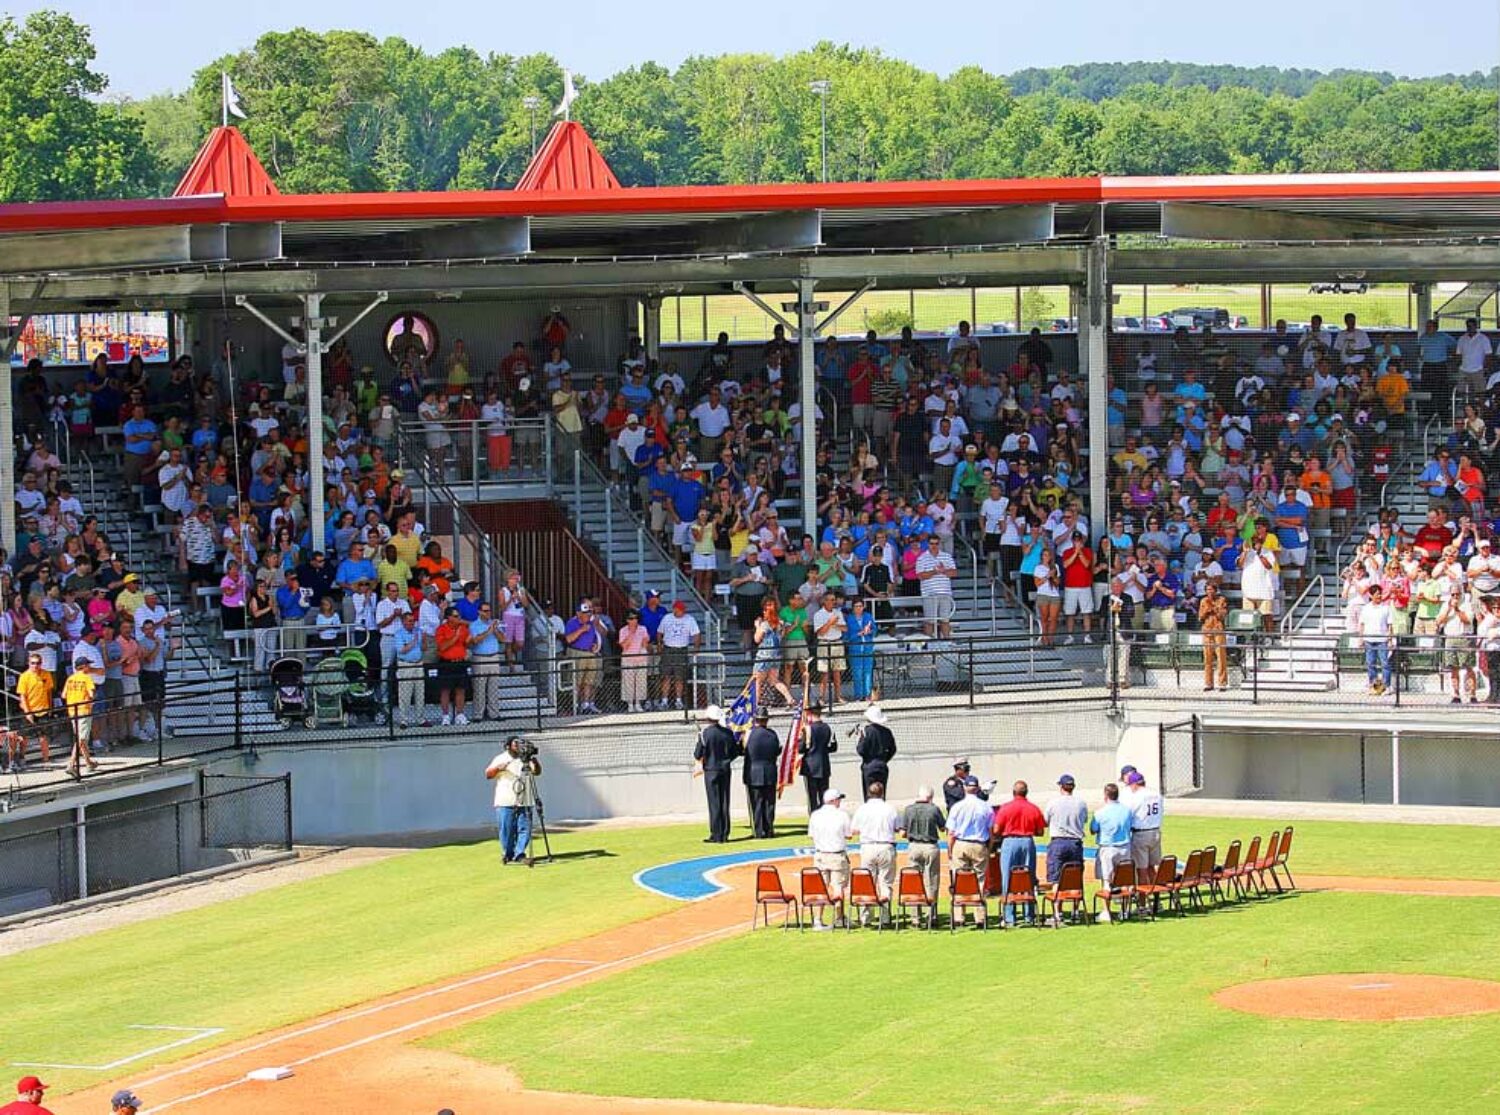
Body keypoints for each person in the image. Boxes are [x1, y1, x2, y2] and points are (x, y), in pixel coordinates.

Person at [992, 780, 1045, 926]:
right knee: (1028, 877)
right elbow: (1040, 831)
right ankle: (1029, 914)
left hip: (1009, 841)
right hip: (1027, 841)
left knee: (1008, 878)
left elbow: (996, 830)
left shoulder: (1005, 808)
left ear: (1013, 792)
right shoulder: (1033, 808)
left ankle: (1010, 916)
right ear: (1026, 792)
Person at [850, 780, 900, 925]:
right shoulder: (890, 809)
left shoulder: (862, 809)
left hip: (868, 847)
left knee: (868, 882)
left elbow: (854, 830)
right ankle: (885, 916)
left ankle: (865, 917)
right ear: (882, 793)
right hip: (885, 846)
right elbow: (898, 827)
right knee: (886, 882)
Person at [486, 736, 542, 865]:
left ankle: (520, 854)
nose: (519, 746)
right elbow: (488, 774)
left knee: (525, 828)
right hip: (505, 800)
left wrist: (535, 762)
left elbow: (537, 772)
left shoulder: (525, 759)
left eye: (520, 743)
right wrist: (499, 768)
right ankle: (507, 853)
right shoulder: (500, 758)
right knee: (507, 829)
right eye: (516, 743)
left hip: (525, 799)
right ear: (508, 746)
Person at [944, 776, 992, 926]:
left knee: (959, 879)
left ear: (964, 788)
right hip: (979, 844)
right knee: (980, 880)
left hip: (961, 843)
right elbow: (991, 830)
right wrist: (988, 848)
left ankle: (959, 915)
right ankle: (980, 916)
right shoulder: (985, 807)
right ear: (977, 788)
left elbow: (951, 832)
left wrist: (950, 849)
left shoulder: (957, 807)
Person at [807, 788, 852, 929]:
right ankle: (839, 918)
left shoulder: (815, 815)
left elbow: (811, 835)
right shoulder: (842, 815)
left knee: (821, 888)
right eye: (838, 799)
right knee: (838, 887)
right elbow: (848, 834)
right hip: (836, 855)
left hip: (820, 855)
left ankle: (817, 920)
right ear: (833, 801)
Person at [1089, 783, 1135, 921]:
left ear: (1105, 795)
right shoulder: (1126, 811)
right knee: (1125, 880)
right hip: (1124, 847)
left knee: (1106, 880)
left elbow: (1093, 829)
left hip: (1108, 848)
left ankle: (1106, 912)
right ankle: (1125, 910)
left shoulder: (1100, 813)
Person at [899, 785, 945, 909]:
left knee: (914, 880)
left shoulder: (908, 810)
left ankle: (915, 916)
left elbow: (902, 833)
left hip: (914, 846)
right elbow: (942, 827)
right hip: (930, 846)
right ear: (930, 797)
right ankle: (931, 913)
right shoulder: (934, 809)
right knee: (932, 881)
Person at [742, 708, 782, 839]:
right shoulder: (773, 734)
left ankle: (758, 831)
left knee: (756, 803)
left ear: (755, 720)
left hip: (753, 772)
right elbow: (777, 751)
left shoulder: (749, 734)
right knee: (769, 803)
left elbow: (743, 750)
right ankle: (769, 829)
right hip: (770, 771)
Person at [1044, 773, 1088, 889]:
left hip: (1058, 841)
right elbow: (1084, 820)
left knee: (1056, 879)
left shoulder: (1053, 802)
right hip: (1075, 842)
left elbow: (1045, 822)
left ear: (1061, 787)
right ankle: (1076, 906)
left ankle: (1057, 907)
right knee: (1075, 878)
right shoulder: (1081, 803)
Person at [1123, 770, 1163, 879]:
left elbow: (1128, 814)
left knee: (1141, 869)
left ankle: (1142, 895)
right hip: (1155, 832)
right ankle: (1156, 894)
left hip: (1141, 834)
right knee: (1151, 867)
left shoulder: (1136, 797)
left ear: (1134, 784)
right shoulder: (1156, 794)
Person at [797, 702, 836, 814]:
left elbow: (801, 749)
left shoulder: (807, 729)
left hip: (810, 767)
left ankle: (814, 819)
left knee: (812, 797)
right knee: (824, 796)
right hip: (824, 765)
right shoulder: (827, 728)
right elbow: (833, 747)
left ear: (809, 712)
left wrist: (800, 738)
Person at [1358, 583, 1395, 696]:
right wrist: (1361, 639)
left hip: (1382, 640)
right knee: (1370, 664)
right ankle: (1374, 686)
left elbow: (1390, 625)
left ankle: (1387, 686)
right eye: (1377, 594)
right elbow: (1362, 624)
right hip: (1369, 640)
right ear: (1371, 595)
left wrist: (1389, 639)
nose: (1379, 596)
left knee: (1385, 663)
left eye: (1380, 594)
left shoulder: (1386, 608)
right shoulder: (1365, 608)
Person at [854, 704, 896, 800]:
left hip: (869, 766)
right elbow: (893, 749)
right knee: (881, 793)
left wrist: (859, 739)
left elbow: (860, 750)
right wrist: (884, 760)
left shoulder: (866, 731)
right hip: (882, 766)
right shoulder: (887, 731)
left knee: (869, 794)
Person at [1198, 580, 1229, 691]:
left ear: (1215, 590)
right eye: (1207, 590)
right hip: (1207, 630)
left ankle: (1222, 683)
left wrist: (1214, 608)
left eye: (1211, 589)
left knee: (1221, 657)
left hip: (1218, 630)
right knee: (1207, 658)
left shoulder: (1221, 600)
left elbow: (1222, 615)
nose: (1209, 592)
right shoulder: (1203, 601)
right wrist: (1207, 610)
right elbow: (1200, 616)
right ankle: (1208, 683)